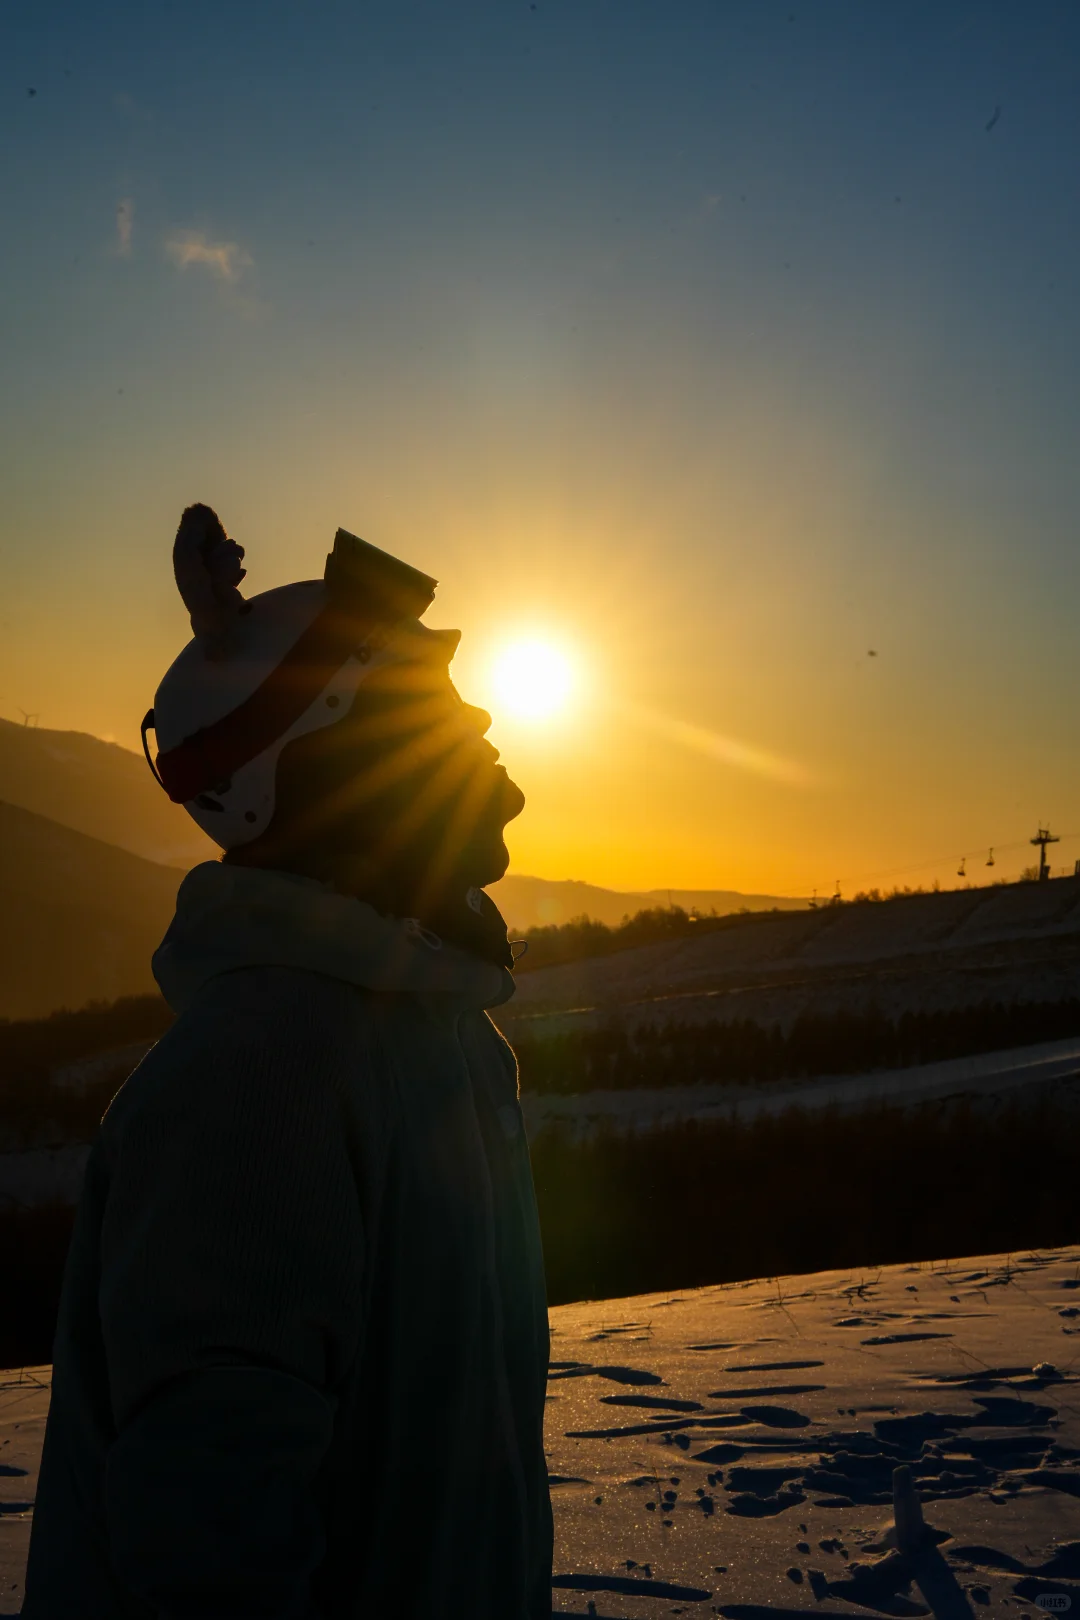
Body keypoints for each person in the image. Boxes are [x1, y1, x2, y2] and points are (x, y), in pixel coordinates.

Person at [23, 506, 553, 1619]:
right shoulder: (263, 1076)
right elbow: (209, 1546)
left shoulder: (441, 1041)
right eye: (430, 715)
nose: (486, 729)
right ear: (318, 768)